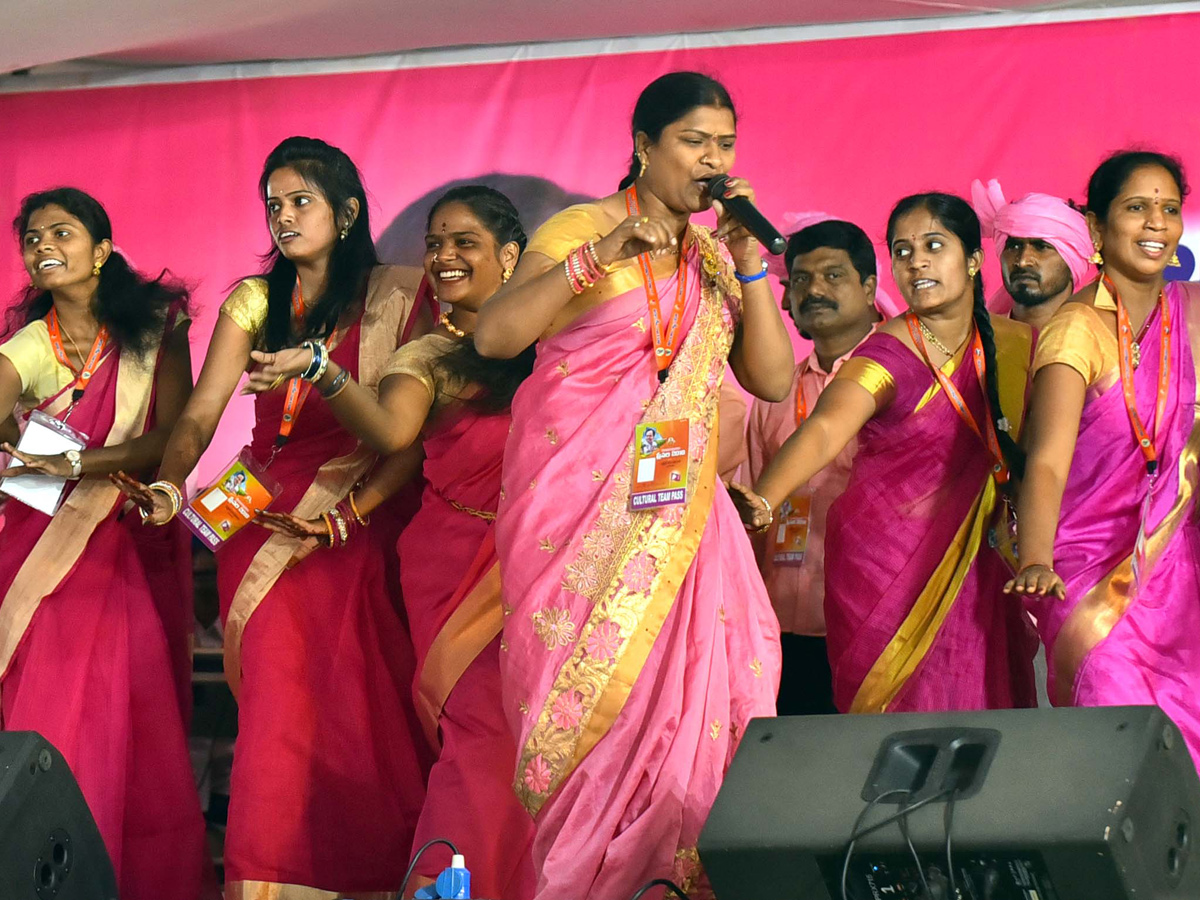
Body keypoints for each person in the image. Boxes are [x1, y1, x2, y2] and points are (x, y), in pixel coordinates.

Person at [472, 71, 793, 899]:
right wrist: (595, 258)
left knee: (713, 682)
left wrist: (751, 268)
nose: (713, 161)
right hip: (574, 508)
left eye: (725, 145)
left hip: (684, 510)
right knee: (592, 714)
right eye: (695, 143)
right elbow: (497, 333)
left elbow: (770, 375)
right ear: (645, 146)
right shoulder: (582, 227)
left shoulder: (718, 254)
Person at [114, 136, 433, 898]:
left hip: (363, 516)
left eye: (301, 202)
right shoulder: (255, 303)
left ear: (347, 212)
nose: (284, 219)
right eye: (274, 206)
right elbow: (197, 417)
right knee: (278, 704)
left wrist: (348, 511)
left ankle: (376, 872)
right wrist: (169, 486)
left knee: (366, 703)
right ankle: (273, 875)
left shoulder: (398, 294)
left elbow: (410, 430)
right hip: (261, 519)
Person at [244, 185, 538, 898]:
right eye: (435, 243)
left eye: (464, 242)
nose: (443, 255)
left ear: (511, 256)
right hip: (457, 565)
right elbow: (393, 437)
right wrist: (322, 369)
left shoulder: (557, 341)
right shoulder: (427, 354)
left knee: (546, 743)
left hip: (550, 564)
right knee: (483, 739)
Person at [732, 192, 1038, 715]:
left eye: (933, 245)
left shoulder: (1018, 347)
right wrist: (764, 498)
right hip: (883, 576)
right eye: (902, 250)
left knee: (979, 722)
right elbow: (828, 428)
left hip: (982, 567)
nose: (915, 260)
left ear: (971, 259)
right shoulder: (888, 349)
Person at [0, 188, 205, 900]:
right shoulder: (31, 340)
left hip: (125, 532)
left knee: (126, 715)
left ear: (103, 248)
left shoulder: (154, 328)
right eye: (31, 237)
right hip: (38, 544)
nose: (42, 245)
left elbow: (169, 437)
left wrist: (78, 466)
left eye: (61, 231)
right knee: (47, 702)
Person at [1006, 151, 1200, 766]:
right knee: (1118, 745)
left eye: (1169, 209)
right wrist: (1035, 557)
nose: (1156, 224)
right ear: (1095, 228)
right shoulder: (1076, 330)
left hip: (1180, 576)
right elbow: (1047, 463)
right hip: (1088, 572)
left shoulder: (1189, 313)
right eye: (1136, 208)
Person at [744, 219, 882, 716]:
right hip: (780, 626)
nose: (814, 290)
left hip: (867, 617)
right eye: (801, 279)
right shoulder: (774, 393)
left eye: (833, 276)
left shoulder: (898, 381)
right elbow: (756, 508)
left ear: (869, 288)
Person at [971, 178, 1094, 331]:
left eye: (1041, 247)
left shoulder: (1098, 343)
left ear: (1073, 261)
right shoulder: (976, 339)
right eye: (1013, 246)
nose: (1023, 261)